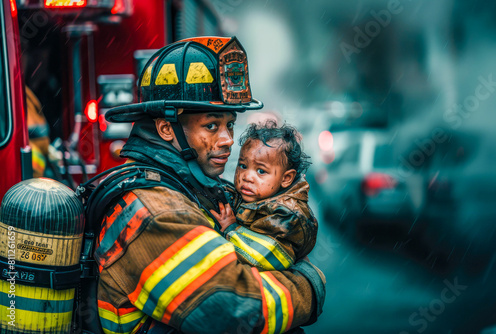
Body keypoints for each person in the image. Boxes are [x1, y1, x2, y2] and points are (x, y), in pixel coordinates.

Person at [96, 37, 325, 334]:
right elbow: (234, 312)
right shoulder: (157, 213)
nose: (229, 139)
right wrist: (308, 284)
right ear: (167, 128)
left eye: (229, 124)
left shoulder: (190, 188)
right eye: (211, 126)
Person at [210, 121, 318, 271]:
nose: (247, 176)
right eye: (243, 165)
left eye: (261, 171)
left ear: (286, 179)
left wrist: (231, 229)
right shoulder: (255, 196)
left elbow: (267, 257)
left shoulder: (285, 214)